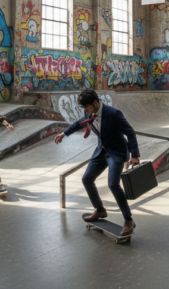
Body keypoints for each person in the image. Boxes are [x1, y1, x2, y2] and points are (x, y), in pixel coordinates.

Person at [53, 88, 141, 236]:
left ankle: (128, 220)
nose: (85, 110)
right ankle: (100, 210)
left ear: (95, 102)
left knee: (113, 184)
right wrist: (64, 133)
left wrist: (135, 155)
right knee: (87, 179)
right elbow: (80, 122)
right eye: (84, 108)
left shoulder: (114, 114)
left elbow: (130, 133)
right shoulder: (89, 113)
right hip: (102, 151)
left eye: (86, 106)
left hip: (117, 153)